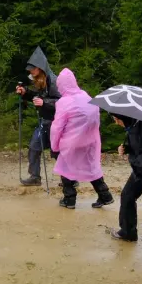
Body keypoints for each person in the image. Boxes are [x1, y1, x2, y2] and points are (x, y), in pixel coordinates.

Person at [49, 68, 113, 209]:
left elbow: (57, 127)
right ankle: (105, 195)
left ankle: (69, 199)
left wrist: (54, 145)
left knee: (65, 168)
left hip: (71, 142)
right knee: (91, 167)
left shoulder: (64, 102)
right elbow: (96, 119)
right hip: (90, 141)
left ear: (62, 85)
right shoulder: (87, 97)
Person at [16, 47, 61, 186]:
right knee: (34, 147)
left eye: (32, 69)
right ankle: (35, 177)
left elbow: (63, 102)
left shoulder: (54, 81)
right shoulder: (39, 79)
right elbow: (38, 97)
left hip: (56, 122)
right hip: (44, 121)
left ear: (40, 67)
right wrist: (25, 92)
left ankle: (69, 178)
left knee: (57, 152)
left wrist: (44, 102)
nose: (30, 71)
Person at [109, 115, 142, 242]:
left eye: (117, 119)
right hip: (139, 169)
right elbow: (138, 148)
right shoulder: (131, 126)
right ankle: (128, 233)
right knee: (127, 196)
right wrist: (125, 148)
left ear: (124, 117)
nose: (116, 123)